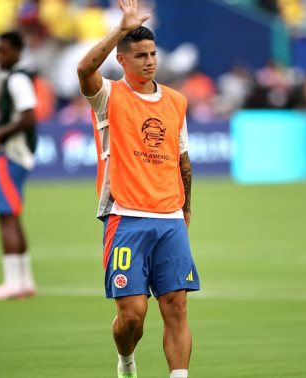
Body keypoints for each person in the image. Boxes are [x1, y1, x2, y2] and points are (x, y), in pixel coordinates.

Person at [76, 1, 200, 378]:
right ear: (122, 59)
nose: (149, 62)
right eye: (140, 55)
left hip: (170, 218)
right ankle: (126, 361)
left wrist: (187, 210)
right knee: (133, 317)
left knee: (176, 306)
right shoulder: (108, 97)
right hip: (125, 217)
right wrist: (120, 27)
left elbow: (183, 162)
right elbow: (83, 69)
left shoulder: (176, 102)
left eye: (153, 54)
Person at [0, 31, 38, 302]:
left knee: (5, 216)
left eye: (3, 51)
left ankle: (12, 282)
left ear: (16, 52)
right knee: (12, 215)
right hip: (19, 154)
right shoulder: (17, 78)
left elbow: (28, 117)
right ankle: (24, 281)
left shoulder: (17, 79)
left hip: (12, 155)